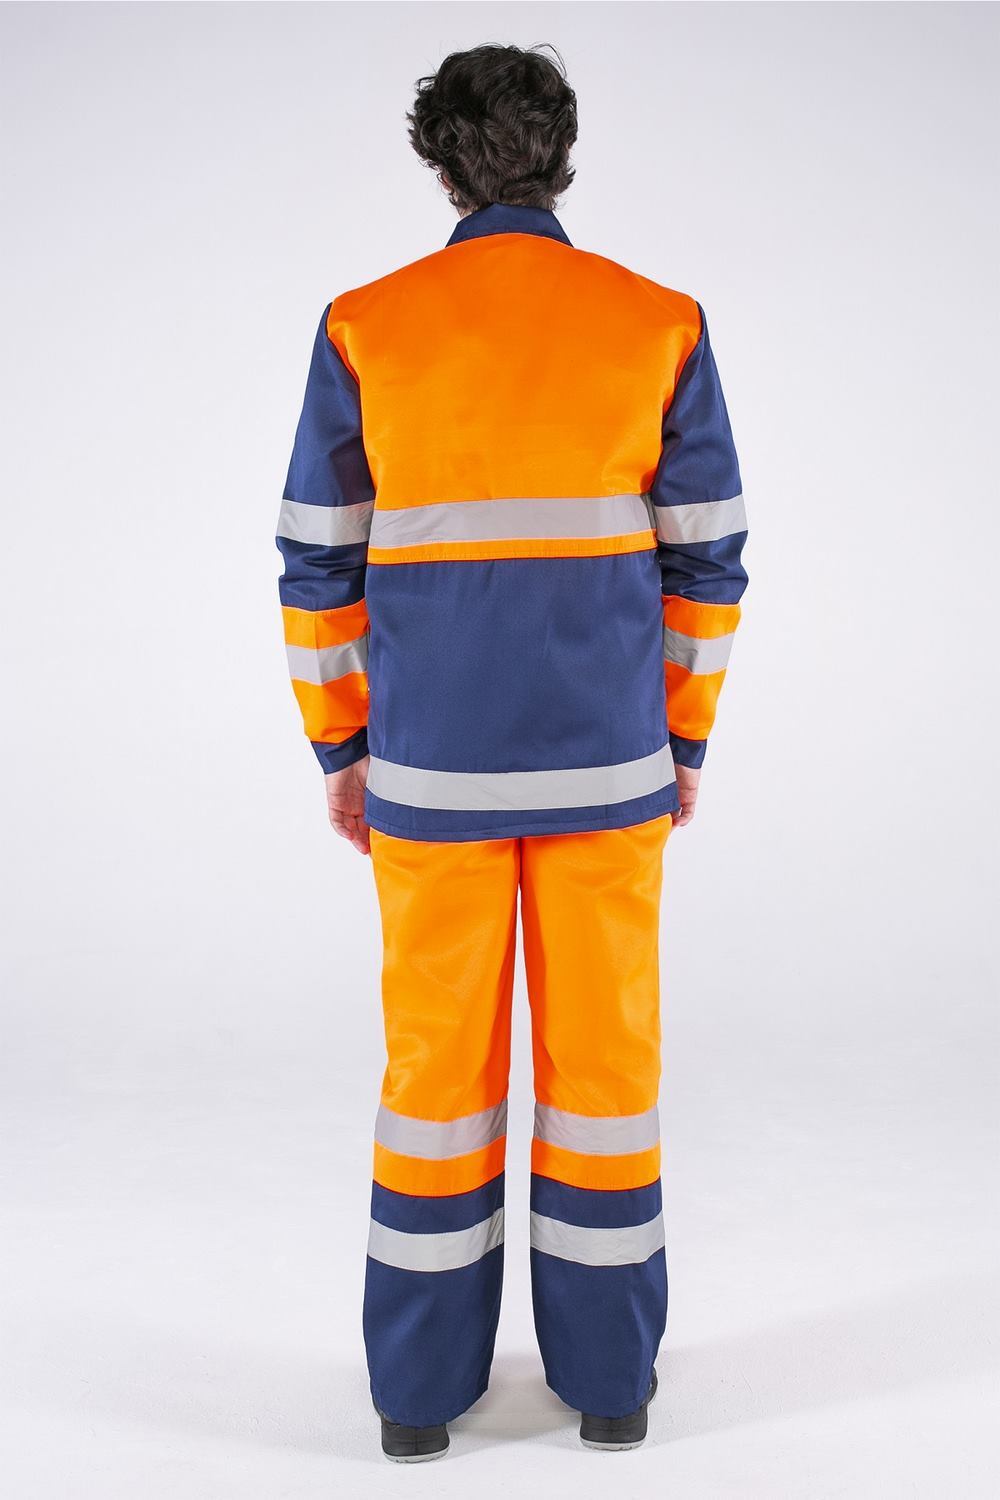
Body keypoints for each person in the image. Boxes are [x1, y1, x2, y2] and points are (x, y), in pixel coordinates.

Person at [275, 42, 748, 1462]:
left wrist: (344, 748)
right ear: (561, 154)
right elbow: (709, 561)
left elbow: (316, 563)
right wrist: (681, 737)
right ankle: (611, 1390)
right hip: (611, 774)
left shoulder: (367, 325)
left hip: (429, 778)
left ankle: (417, 1405)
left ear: (440, 164)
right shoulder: (658, 323)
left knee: (434, 1080)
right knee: (605, 1074)